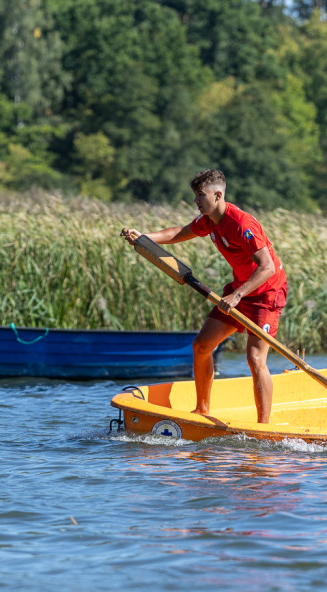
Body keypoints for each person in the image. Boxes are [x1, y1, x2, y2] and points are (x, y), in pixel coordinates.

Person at [121, 168, 288, 423]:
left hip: (266, 293)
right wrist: (145, 238)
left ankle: (263, 427)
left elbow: (267, 267)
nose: (196, 202)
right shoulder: (209, 220)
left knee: (255, 358)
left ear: (218, 195)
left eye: (201, 195)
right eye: (195, 196)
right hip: (239, 291)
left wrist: (238, 296)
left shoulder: (242, 224)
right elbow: (180, 233)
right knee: (201, 346)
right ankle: (202, 410)